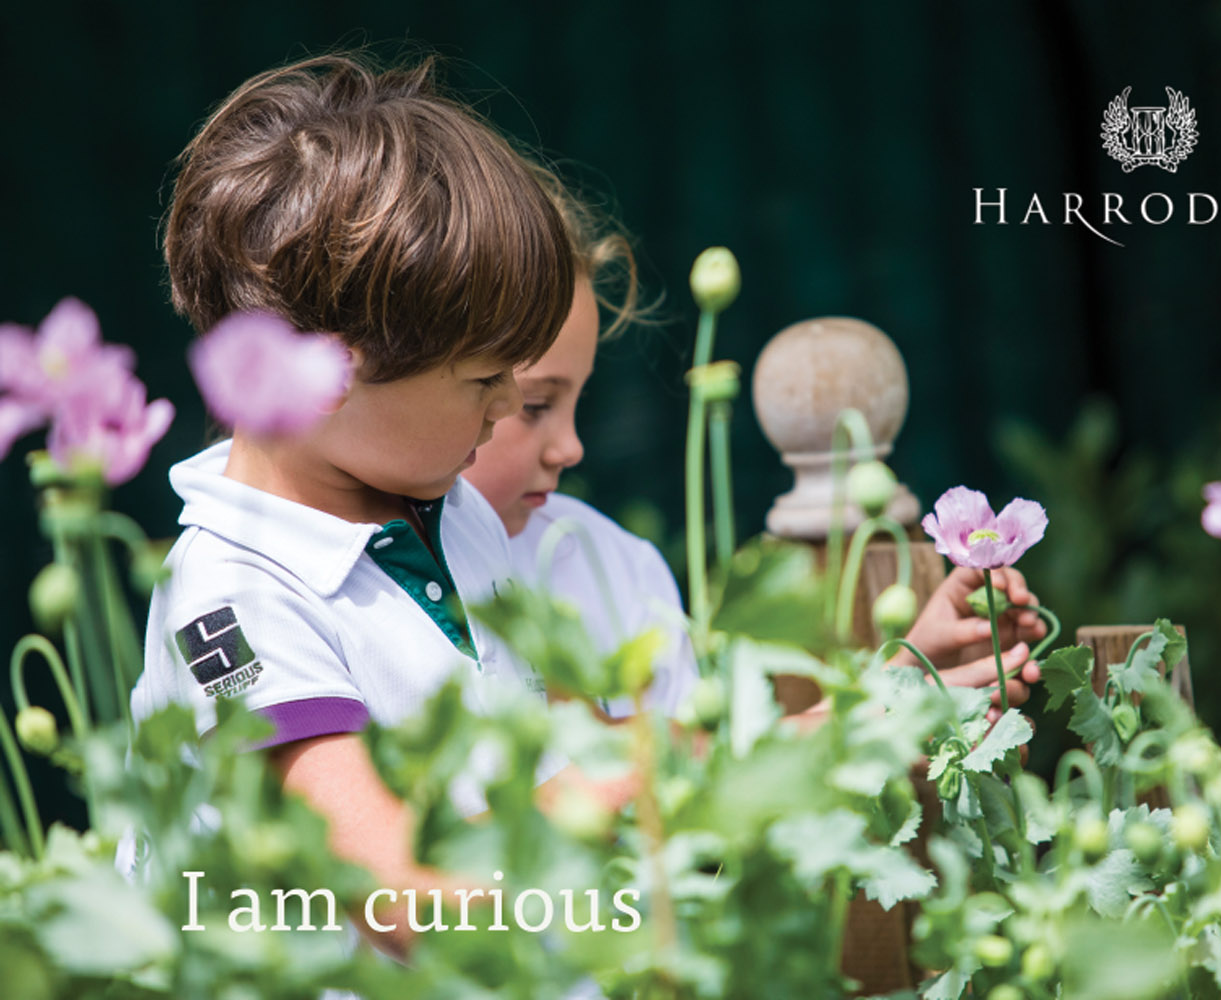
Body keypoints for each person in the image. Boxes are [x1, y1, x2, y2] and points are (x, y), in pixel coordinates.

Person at [130, 53, 626, 956]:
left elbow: (552, 743)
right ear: (324, 375)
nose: (510, 405)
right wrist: (631, 785)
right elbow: (394, 899)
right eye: (484, 376)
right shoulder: (230, 601)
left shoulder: (439, 504)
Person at [460, 171, 1046, 723]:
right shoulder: (379, 582)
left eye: (577, 402)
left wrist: (907, 670)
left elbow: (708, 788)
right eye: (537, 406)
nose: (570, 447)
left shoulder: (615, 564)